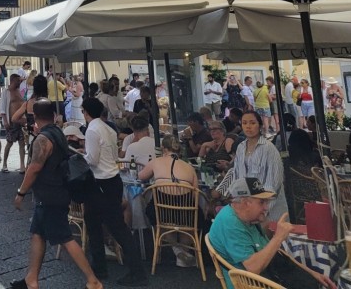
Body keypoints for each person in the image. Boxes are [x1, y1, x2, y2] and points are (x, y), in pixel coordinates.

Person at [13, 101, 103, 289]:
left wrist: (21, 192)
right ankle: (32, 279)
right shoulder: (58, 133)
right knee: (37, 234)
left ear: (35, 116)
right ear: (53, 115)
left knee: (65, 238)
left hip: (50, 195)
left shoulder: (43, 139)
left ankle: (93, 281)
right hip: (56, 192)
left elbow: (34, 167)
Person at [208, 178, 334, 289]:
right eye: (261, 202)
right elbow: (253, 268)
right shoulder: (230, 223)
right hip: (250, 284)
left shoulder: (248, 219)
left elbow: (277, 254)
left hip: (267, 276)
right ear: (246, 203)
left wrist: (312, 272)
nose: (266, 208)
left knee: (310, 282)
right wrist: (278, 237)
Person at [81, 96, 147, 285]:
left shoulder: (92, 130)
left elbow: (92, 160)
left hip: (100, 181)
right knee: (107, 224)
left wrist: (79, 156)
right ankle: (110, 267)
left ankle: (112, 269)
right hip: (112, 179)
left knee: (104, 226)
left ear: (86, 112)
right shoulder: (108, 128)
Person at [139, 135, 199, 268]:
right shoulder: (189, 167)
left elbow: (141, 176)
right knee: (194, 215)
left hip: (162, 211)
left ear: (163, 149)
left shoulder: (156, 161)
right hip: (185, 211)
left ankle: (176, 249)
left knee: (154, 212)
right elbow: (196, 193)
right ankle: (183, 252)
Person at [215, 109, 287, 220]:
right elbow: (236, 175)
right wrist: (225, 192)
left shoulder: (268, 149)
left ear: (260, 125)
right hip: (249, 210)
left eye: (252, 123)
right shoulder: (241, 147)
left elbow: (274, 185)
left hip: (270, 211)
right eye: (244, 123)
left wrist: (261, 211)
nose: (248, 126)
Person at [1, 73, 26, 173]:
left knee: (22, 143)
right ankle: (4, 164)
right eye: (18, 81)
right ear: (12, 81)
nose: (20, 82)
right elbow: (2, 108)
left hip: (21, 121)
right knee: (9, 143)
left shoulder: (19, 91)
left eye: (20, 81)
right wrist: (5, 122)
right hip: (11, 122)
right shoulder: (6, 92)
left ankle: (22, 165)